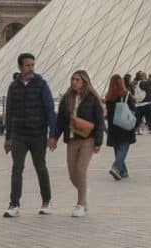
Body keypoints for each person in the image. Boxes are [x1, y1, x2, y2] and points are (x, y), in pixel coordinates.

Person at [3, 53, 58, 219]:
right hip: (19, 135)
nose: (31, 68)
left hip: (38, 135)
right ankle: (14, 205)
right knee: (17, 169)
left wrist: (52, 135)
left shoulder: (42, 85)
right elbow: (9, 112)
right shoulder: (13, 87)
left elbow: (50, 110)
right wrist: (8, 137)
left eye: (33, 65)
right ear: (20, 66)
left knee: (40, 167)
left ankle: (47, 201)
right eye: (27, 65)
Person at [55, 70, 104, 216]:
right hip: (71, 139)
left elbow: (99, 121)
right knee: (72, 174)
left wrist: (98, 142)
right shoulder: (66, 98)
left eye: (77, 79)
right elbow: (60, 120)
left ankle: (80, 204)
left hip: (88, 139)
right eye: (72, 79)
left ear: (84, 81)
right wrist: (54, 137)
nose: (74, 82)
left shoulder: (92, 98)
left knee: (81, 169)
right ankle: (84, 192)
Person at [105, 74, 136, 181]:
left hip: (113, 125)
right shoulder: (126, 94)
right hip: (124, 123)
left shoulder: (109, 96)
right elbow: (133, 108)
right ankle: (116, 167)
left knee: (117, 147)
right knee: (124, 147)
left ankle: (123, 171)